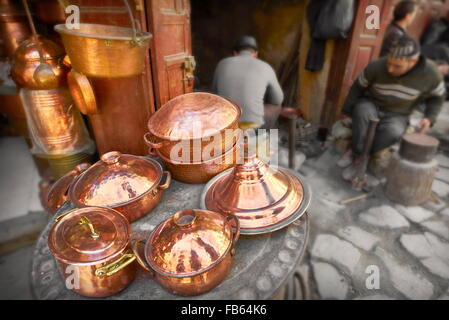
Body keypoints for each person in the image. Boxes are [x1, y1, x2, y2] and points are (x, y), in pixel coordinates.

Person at [339, 35, 446, 181]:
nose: (390, 69)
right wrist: (347, 110)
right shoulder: (376, 66)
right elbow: (358, 87)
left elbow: (437, 97)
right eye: (389, 62)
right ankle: (357, 154)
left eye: (397, 66)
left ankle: (364, 155)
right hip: (372, 103)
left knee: (393, 132)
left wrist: (429, 117)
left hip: (399, 112)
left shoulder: (431, 73)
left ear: (413, 62)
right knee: (362, 112)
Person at [212, 36, 284, 130]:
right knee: (276, 106)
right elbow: (278, 99)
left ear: (235, 53)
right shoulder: (265, 66)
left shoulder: (222, 64)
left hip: (226, 125)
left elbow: (214, 94)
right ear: (255, 54)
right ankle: (262, 136)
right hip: (253, 126)